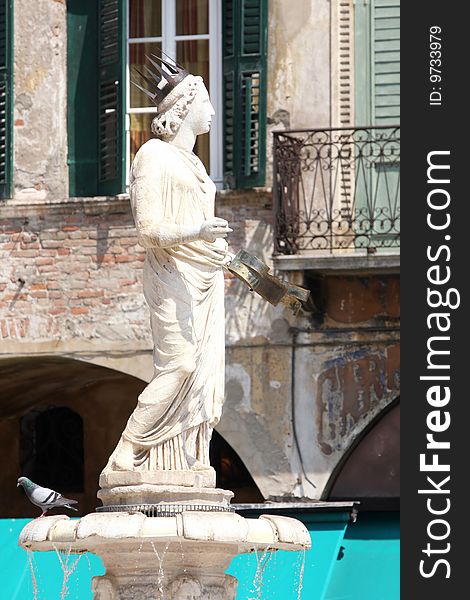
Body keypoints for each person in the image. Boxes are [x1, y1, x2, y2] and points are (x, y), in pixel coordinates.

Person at [102, 63, 232, 475]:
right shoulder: (152, 156)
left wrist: (219, 249)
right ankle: (126, 450)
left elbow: (200, 224)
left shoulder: (194, 164)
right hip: (170, 273)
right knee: (180, 365)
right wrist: (198, 230)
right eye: (206, 101)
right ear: (184, 106)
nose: (212, 111)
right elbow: (149, 230)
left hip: (204, 278)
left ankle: (190, 456)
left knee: (204, 375)